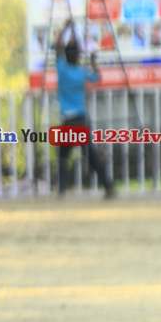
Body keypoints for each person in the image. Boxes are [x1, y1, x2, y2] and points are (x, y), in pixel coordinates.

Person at [55, 19, 115, 199]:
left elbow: (57, 48)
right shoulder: (82, 72)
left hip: (67, 121)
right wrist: (93, 60)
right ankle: (109, 186)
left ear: (66, 56)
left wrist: (66, 27)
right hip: (81, 120)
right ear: (78, 56)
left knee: (63, 157)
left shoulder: (62, 69)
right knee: (92, 157)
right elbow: (97, 76)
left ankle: (62, 190)